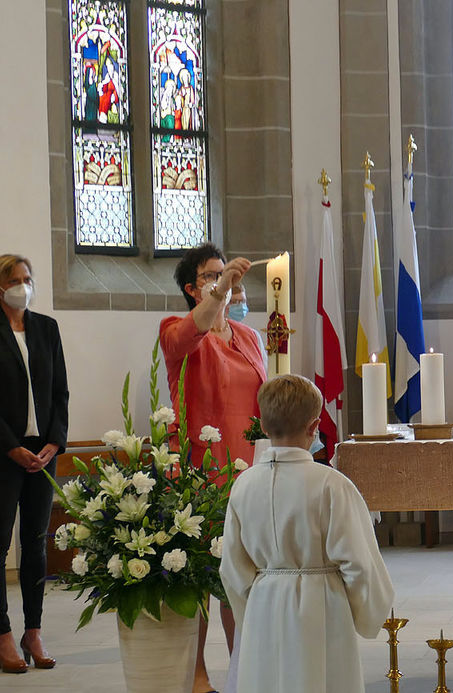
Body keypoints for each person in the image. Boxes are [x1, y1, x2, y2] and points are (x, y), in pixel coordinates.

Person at [220, 374, 394, 692]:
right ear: (314, 427)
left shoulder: (243, 484)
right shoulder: (331, 485)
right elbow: (359, 563)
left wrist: (254, 606)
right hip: (322, 606)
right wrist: (367, 612)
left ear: (262, 424)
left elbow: (231, 567)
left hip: (264, 605)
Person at [159, 242, 266, 693]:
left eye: (226, 275)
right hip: (201, 470)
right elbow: (195, 327)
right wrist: (220, 292)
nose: (226, 283)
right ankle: (197, 671)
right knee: (203, 575)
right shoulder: (175, 330)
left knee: (246, 576)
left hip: (251, 469)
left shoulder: (249, 337)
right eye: (211, 276)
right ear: (191, 287)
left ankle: (245, 666)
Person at [0, 255, 68, 674]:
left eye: (28, 279)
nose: (23, 286)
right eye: (15, 280)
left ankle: (33, 630)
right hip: (4, 453)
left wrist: (55, 443)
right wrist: (11, 447)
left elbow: (60, 391)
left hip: (42, 454)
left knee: (37, 542)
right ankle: (3, 633)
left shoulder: (46, 328)